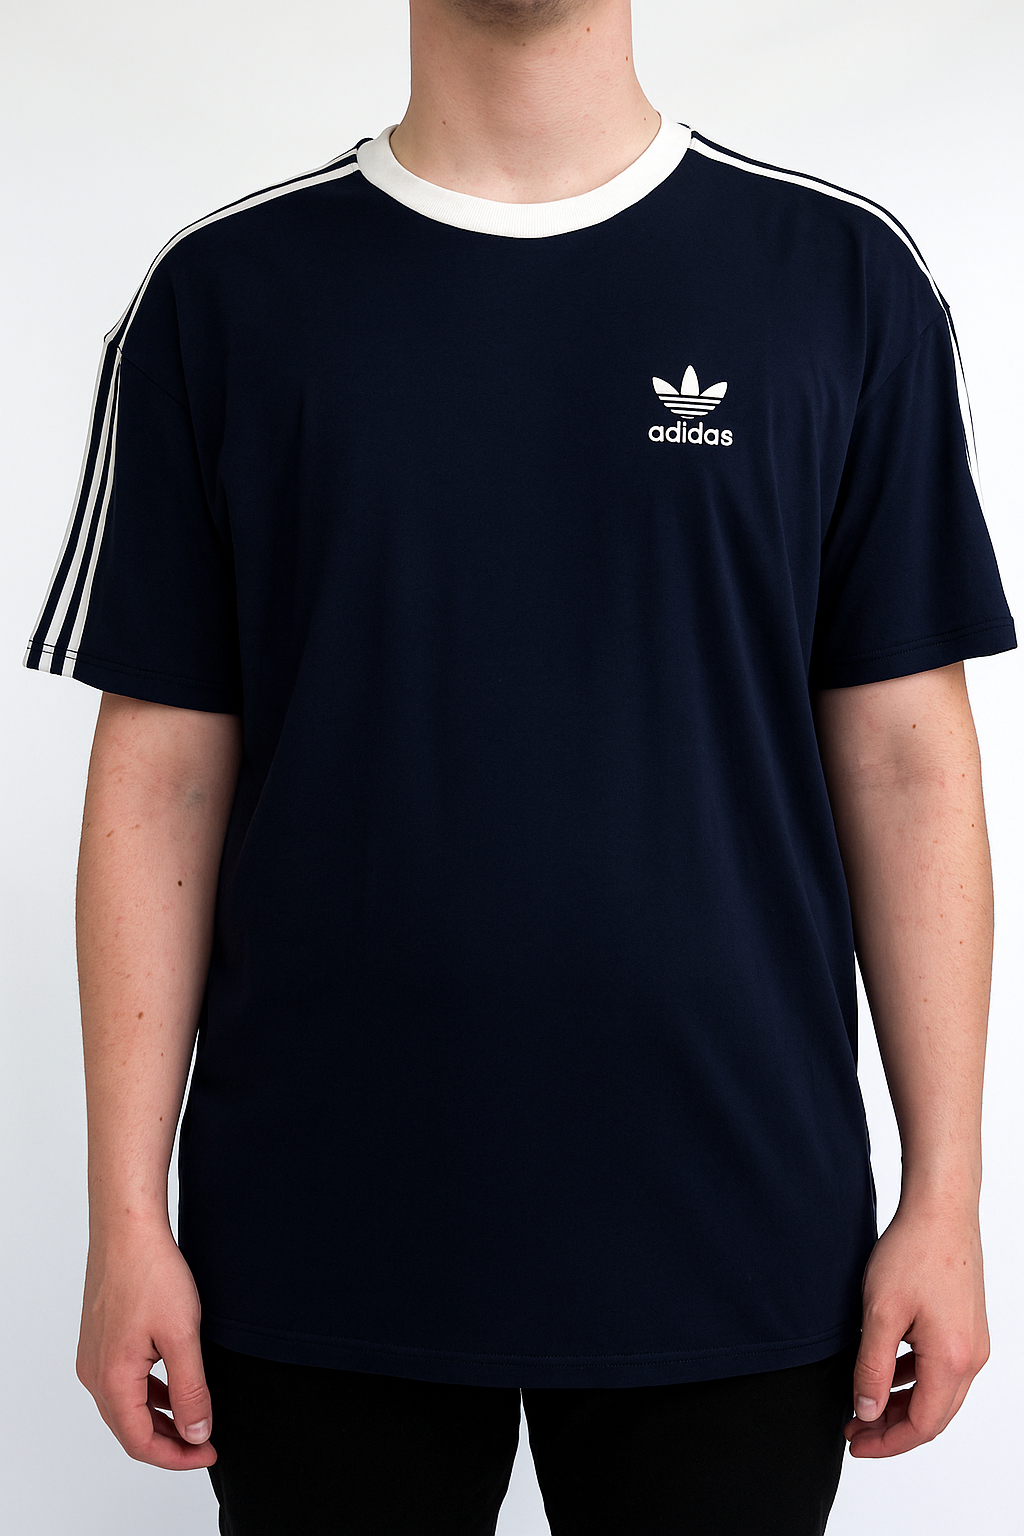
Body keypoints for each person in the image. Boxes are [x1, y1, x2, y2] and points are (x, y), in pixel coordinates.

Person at [26, 0, 1015, 1531]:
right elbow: (161, 782)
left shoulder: (839, 278)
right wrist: (122, 1219)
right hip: (319, 1233)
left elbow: (907, 767)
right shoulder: (222, 296)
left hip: (734, 1228)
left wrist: (946, 1197)